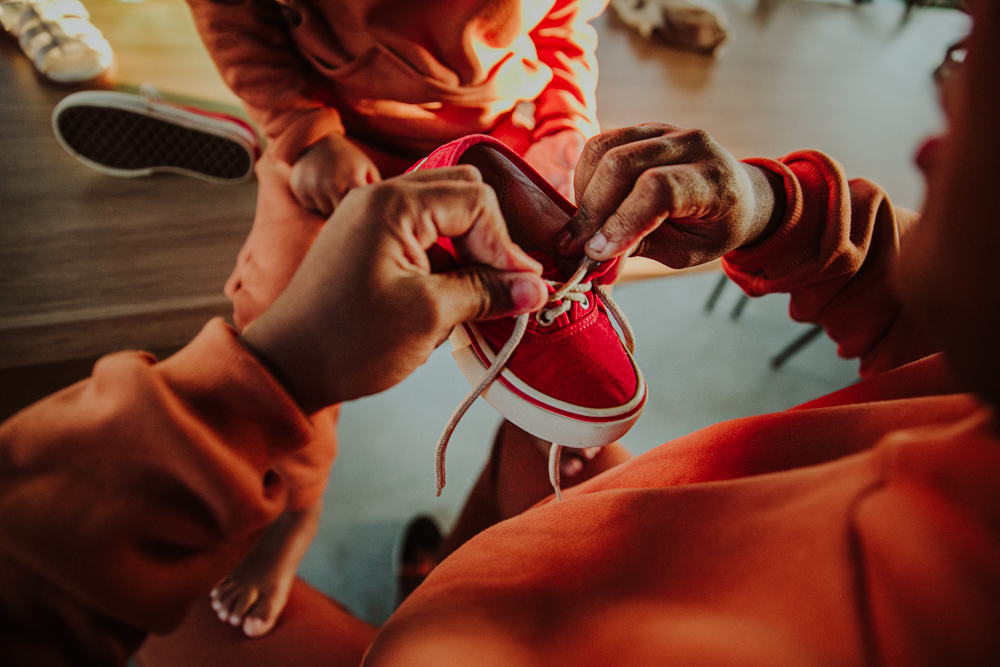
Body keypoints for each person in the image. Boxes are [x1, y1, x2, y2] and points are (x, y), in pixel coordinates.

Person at [2, 1, 998, 664]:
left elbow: (31, 589)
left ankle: (409, 522)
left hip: (500, 138)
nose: (933, 117)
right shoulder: (962, 407)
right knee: (283, 291)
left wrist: (271, 376)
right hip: (345, 143)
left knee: (177, 599)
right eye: (956, 52)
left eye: (975, 65)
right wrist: (786, 209)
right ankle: (340, 529)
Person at [183, 0, 609, 635]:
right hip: (339, 137)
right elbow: (235, 16)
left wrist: (564, 122)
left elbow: (564, 21)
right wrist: (304, 132)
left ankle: (467, 557)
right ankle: (296, 503)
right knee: (281, 322)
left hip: (493, 136)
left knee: (572, 278)